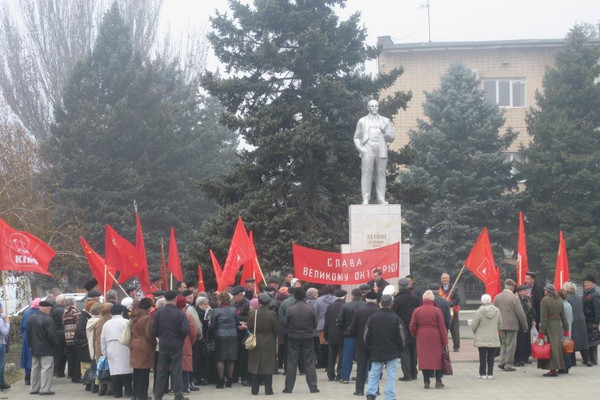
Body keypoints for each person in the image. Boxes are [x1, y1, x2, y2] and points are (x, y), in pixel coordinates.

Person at [353, 98, 395, 204]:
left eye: (376, 106)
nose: (374, 108)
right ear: (368, 108)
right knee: (367, 173)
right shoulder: (362, 121)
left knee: (381, 173)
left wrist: (385, 131)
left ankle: (381, 198)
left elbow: (392, 137)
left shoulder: (385, 121)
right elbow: (356, 137)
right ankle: (366, 198)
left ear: (378, 107)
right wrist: (360, 148)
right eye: (372, 106)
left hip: (381, 148)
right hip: (367, 147)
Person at [364, 294, 405, 400]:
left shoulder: (372, 318)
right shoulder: (396, 318)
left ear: (380, 304)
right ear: (391, 304)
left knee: (374, 373)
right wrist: (400, 348)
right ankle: (390, 396)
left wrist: (371, 347)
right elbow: (401, 336)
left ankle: (371, 394)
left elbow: (366, 336)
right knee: (391, 375)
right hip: (392, 351)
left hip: (376, 350)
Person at [151, 290, 190, 400]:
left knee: (161, 370)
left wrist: (161, 336)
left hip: (163, 343)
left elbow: (153, 329)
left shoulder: (159, 312)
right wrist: (180, 338)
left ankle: (158, 395)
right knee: (176, 370)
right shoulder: (179, 313)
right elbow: (186, 329)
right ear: (175, 299)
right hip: (176, 344)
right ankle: (178, 394)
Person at [410, 290, 448, 389]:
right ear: (432, 299)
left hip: (422, 336)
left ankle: (426, 382)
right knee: (438, 358)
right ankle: (438, 381)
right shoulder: (437, 310)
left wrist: (416, 334)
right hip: (436, 336)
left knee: (424, 359)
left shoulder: (417, 310)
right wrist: (445, 341)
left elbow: (412, 326)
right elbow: (442, 327)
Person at [283, 287, 319, 394]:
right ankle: (313, 387)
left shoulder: (290, 309)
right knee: (309, 363)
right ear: (304, 297)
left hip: (293, 337)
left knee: (291, 363)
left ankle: (288, 388)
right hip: (308, 337)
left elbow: (286, 324)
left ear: (295, 297)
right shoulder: (311, 308)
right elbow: (315, 324)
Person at [248, 293, 279, 395]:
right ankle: (268, 390)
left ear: (259, 302)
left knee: (255, 364)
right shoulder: (272, 314)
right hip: (269, 340)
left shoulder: (253, 313)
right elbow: (276, 329)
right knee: (268, 365)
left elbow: (249, 327)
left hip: (256, 339)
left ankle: (254, 390)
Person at [349, 291, 379, 396]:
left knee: (361, 366)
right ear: (376, 300)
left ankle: (359, 390)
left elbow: (353, 327)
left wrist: (355, 337)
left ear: (365, 299)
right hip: (375, 343)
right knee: (375, 367)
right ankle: (375, 389)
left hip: (361, 342)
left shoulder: (359, 311)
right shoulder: (378, 311)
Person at [494, 279, 528, 372]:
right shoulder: (514, 298)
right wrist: (525, 326)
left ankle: (502, 362)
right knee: (511, 345)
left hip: (501, 324)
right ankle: (508, 364)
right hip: (512, 325)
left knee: (503, 344)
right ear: (512, 287)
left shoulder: (497, 297)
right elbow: (520, 313)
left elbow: (495, 311)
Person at [26, 300, 58, 395]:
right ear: (47, 308)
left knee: (35, 368)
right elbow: (51, 335)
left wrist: (31, 345)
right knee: (46, 368)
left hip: (34, 347)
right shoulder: (48, 320)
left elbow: (28, 334)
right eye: (50, 309)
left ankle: (34, 388)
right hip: (47, 348)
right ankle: (44, 389)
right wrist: (56, 344)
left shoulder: (31, 318)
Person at [101, 304, 133, 398]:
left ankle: (117, 392)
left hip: (111, 347)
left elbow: (102, 339)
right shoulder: (126, 322)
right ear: (122, 312)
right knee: (127, 370)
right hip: (125, 347)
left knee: (114, 371)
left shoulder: (106, 324)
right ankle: (128, 391)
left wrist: (104, 352)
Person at [537, 284, 569, 376]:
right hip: (557, 325)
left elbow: (543, 318)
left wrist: (541, 332)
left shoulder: (545, 300)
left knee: (549, 347)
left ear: (547, 291)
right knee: (556, 347)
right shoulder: (559, 300)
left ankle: (552, 369)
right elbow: (563, 316)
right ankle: (557, 366)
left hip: (549, 325)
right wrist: (566, 329)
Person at [393, 277, 421, 381]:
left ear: (399, 287)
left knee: (404, 352)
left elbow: (394, 315)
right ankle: (414, 373)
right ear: (408, 286)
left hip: (402, 329)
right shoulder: (416, 299)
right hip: (414, 329)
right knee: (414, 352)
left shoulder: (396, 300)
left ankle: (407, 375)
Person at [210, 291, 239, 388]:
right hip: (233, 334)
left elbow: (213, 325)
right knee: (231, 358)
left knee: (220, 358)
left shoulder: (215, 311)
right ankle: (230, 379)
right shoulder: (234, 310)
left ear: (220, 300)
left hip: (220, 335)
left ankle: (221, 380)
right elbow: (237, 322)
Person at [336, 288, 365, 383]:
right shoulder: (365, 306)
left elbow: (339, 321)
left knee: (347, 357)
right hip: (362, 336)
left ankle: (345, 378)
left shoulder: (346, 306)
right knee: (363, 357)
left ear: (352, 295)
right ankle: (363, 377)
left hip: (349, 335)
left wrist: (343, 330)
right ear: (361, 295)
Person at [129, 298, 156, 400]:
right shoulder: (146, 318)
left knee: (136, 372)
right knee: (144, 373)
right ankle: (142, 396)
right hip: (144, 345)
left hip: (134, 343)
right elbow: (148, 334)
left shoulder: (134, 316)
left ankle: (135, 395)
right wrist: (154, 342)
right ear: (148, 307)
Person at [472, 294, 502, 379]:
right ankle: (490, 373)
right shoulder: (497, 311)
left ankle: (482, 374)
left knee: (482, 356)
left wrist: (476, 333)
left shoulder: (479, 311)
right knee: (491, 356)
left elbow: (474, 325)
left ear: (482, 301)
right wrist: (496, 331)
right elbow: (500, 324)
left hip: (481, 337)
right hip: (493, 336)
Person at [563, 281, 590, 366]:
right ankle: (587, 360)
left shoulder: (567, 298)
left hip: (573, 320)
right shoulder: (579, 297)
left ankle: (572, 361)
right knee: (582, 341)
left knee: (572, 340)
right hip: (581, 320)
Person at [176, 296, 198, 394]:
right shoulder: (188, 315)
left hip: (173, 342)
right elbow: (193, 331)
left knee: (174, 366)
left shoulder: (172, 314)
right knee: (185, 366)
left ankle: (174, 387)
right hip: (185, 342)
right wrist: (191, 342)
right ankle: (185, 387)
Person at [323, 289, 346, 381]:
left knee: (331, 356)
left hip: (331, 335)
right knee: (341, 356)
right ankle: (339, 374)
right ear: (344, 296)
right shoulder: (345, 306)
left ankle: (330, 374)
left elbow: (326, 322)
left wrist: (326, 335)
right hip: (343, 335)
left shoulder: (330, 307)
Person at [73, 300, 96, 391]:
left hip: (86, 345)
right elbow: (79, 332)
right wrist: (89, 333)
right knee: (87, 366)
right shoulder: (84, 318)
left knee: (89, 365)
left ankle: (89, 383)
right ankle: (88, 383)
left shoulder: (86, 316)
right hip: (84, 346)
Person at [93, 303, 113, 396]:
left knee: (101, 368)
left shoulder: (98, 322)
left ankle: (101, 389)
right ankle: (110, 388)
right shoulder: (112, 320)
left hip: (98, 348)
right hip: (110, 347)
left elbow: (94, 338)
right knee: (110, 368)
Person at [314, 285, 336, 368]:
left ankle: (324, 362)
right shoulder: (336, 300)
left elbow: (315, 313)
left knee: (323, 344)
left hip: (321, 324)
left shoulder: (318, 300)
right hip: (333, 324)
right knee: (332, 344)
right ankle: (331, 363)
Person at [21, 298, 41, 386]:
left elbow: (21, 327)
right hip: (36, 337)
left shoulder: (26, 313)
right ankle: (37, 378)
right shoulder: (39, 314)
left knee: (27, 357)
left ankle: (27, 377)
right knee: (36, 357)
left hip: (26, 338)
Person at [514, 284, 535, 366]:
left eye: (526, 290)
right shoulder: (516, 300)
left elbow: (532, 310)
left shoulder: (528, 299)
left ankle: (525, 358)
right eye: (524, 291)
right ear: (519, 292)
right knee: (520, 342)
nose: (526, 292)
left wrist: (533, 319)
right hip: (519, 324)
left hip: (528, 323)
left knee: (527, 342)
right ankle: (517, 359)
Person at [439, 273, 461, 352]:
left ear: (449, 279)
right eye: (443, 278)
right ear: (441, 280)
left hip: (453, 311)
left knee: (454, 329)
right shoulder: (439, 289)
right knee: (443, 329)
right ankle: (443, 346)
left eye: (446, 278)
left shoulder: (454, 288)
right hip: (443, 312)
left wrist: (449, 304)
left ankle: (456, 346)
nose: (445, 279)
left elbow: (457, 299)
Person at [63, 297, 82, 383]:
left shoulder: (65, 312)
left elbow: (63, 323)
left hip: (68, 336)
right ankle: (76, 377)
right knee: (77, 357)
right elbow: (79, 322)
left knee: (71, 357)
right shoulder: (75, 310)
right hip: (75, 336)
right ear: (73, 303)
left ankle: (71, 374)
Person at [583, 275, 600, 365]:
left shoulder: (595, 295)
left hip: (591, 321)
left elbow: (597, 310)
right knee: (588, 339)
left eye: (587, 282)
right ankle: (589, 358)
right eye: (585, 282)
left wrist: (595, 323)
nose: (585, 284)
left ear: (593, 283)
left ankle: (593, 359)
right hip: (586, 320)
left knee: (593, 339)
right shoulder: (587, 293)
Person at [51, 294, 67, 378]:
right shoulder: (65, 310)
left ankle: (57, 370)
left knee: (57, 353)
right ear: (63, 301)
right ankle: (61, 371)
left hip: (56, 333)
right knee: (64, 354)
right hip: (64, 333)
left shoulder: (53, 311)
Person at [558, 289, 573, 373]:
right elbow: (572, 318)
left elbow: (561, 320)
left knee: (562, 348)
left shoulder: (561, 306)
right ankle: (567, 366)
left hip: (563, 329)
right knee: (567, 348)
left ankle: (563, 367)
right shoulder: (569, 305)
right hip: (569, 329)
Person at [0, 302, 10, 391]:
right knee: (1, 364)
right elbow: (5, 332)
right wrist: (7, 323)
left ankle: (2, 382)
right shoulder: (0, 320)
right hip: (0, 344)